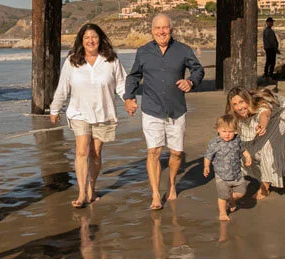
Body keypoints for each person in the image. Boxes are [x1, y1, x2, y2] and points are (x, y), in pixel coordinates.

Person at [124, 13, 204, 211]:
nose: (161, 31)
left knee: (176, 153)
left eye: (165, 28)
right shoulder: (143, 52)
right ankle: (155, 195)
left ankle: (171, 183)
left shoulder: (183, 50)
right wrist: (129, 97)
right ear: (152, 31)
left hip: (176, 109)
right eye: (157, 28)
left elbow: (198, 70)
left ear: (171, 30)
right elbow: (133, 76)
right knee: (153, 151)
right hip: (151, 109)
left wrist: (190, 81)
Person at [50, 22, 128, 208]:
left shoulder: (111, 60)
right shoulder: (72, 61)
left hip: (103, 112)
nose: (90, 41)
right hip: (79, 112)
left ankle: (92, 188)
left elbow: (121, 85)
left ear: (100, 39)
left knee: (96, 153)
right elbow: (63, 87)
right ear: (81, 41)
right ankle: (82, 193)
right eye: (86, 38)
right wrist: (55, 109)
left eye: (94, 37)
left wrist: (128, 100)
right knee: (82, 150)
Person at [225, 86, 285, 199]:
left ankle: (265, 187)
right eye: (235, 104)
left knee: (266, 147)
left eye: (241, 102)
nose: (239, 107)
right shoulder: (233, 114)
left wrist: (263, 125)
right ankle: (263, 175)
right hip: (260, 116)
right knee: (246, 147)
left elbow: (265, 114)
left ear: (247, 100)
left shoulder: (261, 104)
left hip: (279, 113)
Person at [203, 114, 252, 221]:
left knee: (241, 193)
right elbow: (208, 155)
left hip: (237, 174)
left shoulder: (237, 140)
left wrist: (248, 157)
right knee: (222, 197)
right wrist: (206, 166)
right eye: (224, 131)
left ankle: (231, 200)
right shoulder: (215, 143)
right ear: (218, 130)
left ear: (235, 130)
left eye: (230, 131)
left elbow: (242, 149)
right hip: (221, 176)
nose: (227, 134)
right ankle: (223, 212)